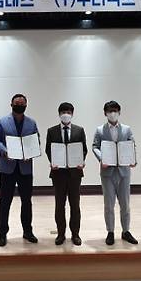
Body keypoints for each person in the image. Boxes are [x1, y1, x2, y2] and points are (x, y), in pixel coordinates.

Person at [0, 93, 39, 247]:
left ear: (26, 105)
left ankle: (28, 231)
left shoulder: (31, 123)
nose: (19, 106)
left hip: (25, 168)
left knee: (27, 202)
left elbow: (36, 141)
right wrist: (5, 151)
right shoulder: (2, 121)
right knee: (5, 202)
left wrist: (30, 153)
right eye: (17, 103)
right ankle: (2, 234)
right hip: (7, 167)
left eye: (22, 104)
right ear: (11, 104)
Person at [92, 100, 138, 245]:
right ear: (105, 113)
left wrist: (133, 160)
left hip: (124, 172)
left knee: (125, 204)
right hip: (107, 172)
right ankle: (110, 232)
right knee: (109, 204)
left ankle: (126, 231)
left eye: (115, 111)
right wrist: (102, 158)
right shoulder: (100, 130)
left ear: (119, 112)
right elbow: (95, 146)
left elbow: (132, 145)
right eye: (110, 111)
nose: (113, 113)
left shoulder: (127, 129)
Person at [45, 102, 88, 246]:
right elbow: (48, 149)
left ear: (72, 114)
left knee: (75, 205)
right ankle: (61, 234)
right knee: (59, 205)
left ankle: (75, 234)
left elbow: (84, 149)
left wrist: (81, 161)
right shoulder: (51, 131)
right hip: (58, 173)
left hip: (75, 173)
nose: (66, 114)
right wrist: (52, 162)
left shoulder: (79, 130)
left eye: (68, 112)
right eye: (63, 112)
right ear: (59, 114)